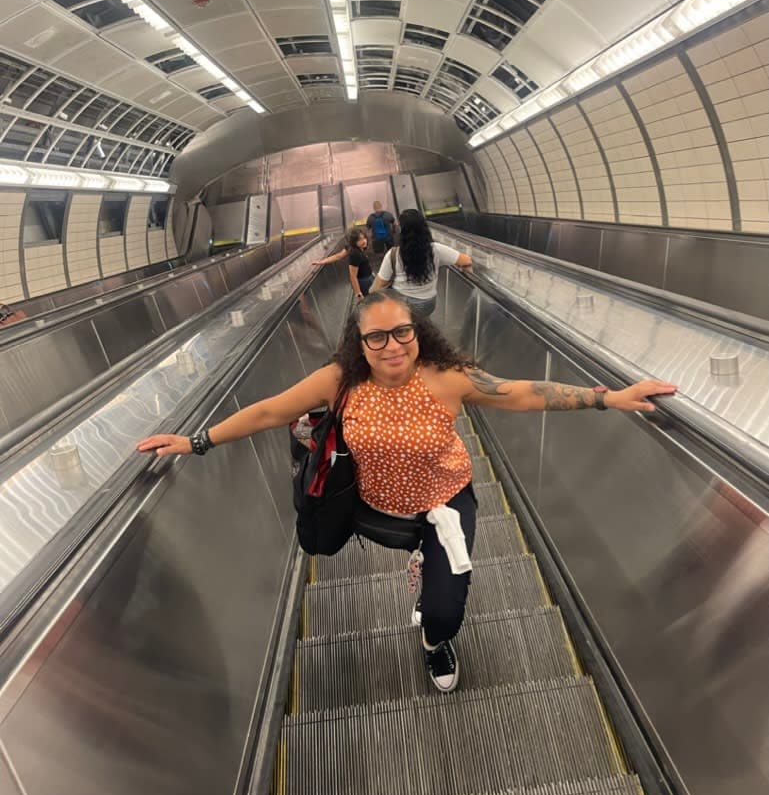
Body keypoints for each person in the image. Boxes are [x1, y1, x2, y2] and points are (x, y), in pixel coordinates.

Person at [137, 290, 677, 694]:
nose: (393, 345)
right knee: (384, 552)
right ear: (360, 343)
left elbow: (524, 394)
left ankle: (434, 638)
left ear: (416, 331)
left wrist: (610, 397)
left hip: (446, 500)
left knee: (443, 612)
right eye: (377, 336)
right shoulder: (338, 382)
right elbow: (271, 410)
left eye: (403, 332)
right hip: (376, 508)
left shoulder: (448, 377)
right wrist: (195, 441)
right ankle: (421, 563)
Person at [371, 208, 472, 317]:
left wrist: (370, 297)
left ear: (402, 229)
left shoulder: (393, 254)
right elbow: (466, 260)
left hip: (402, 305)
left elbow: (380, 283)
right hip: (428, 304)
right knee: (420, 321)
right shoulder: (436, 250)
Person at [312, 226, 374, 300]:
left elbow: (338, 256)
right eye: (360, 240)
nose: (364, 241)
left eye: (364, 238)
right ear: (354, 241)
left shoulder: (351, 247)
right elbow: (353, 276)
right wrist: (358, 294)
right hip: (364, 281)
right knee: (370, 301)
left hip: (369, 277)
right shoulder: (355, 255)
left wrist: (321, 261)